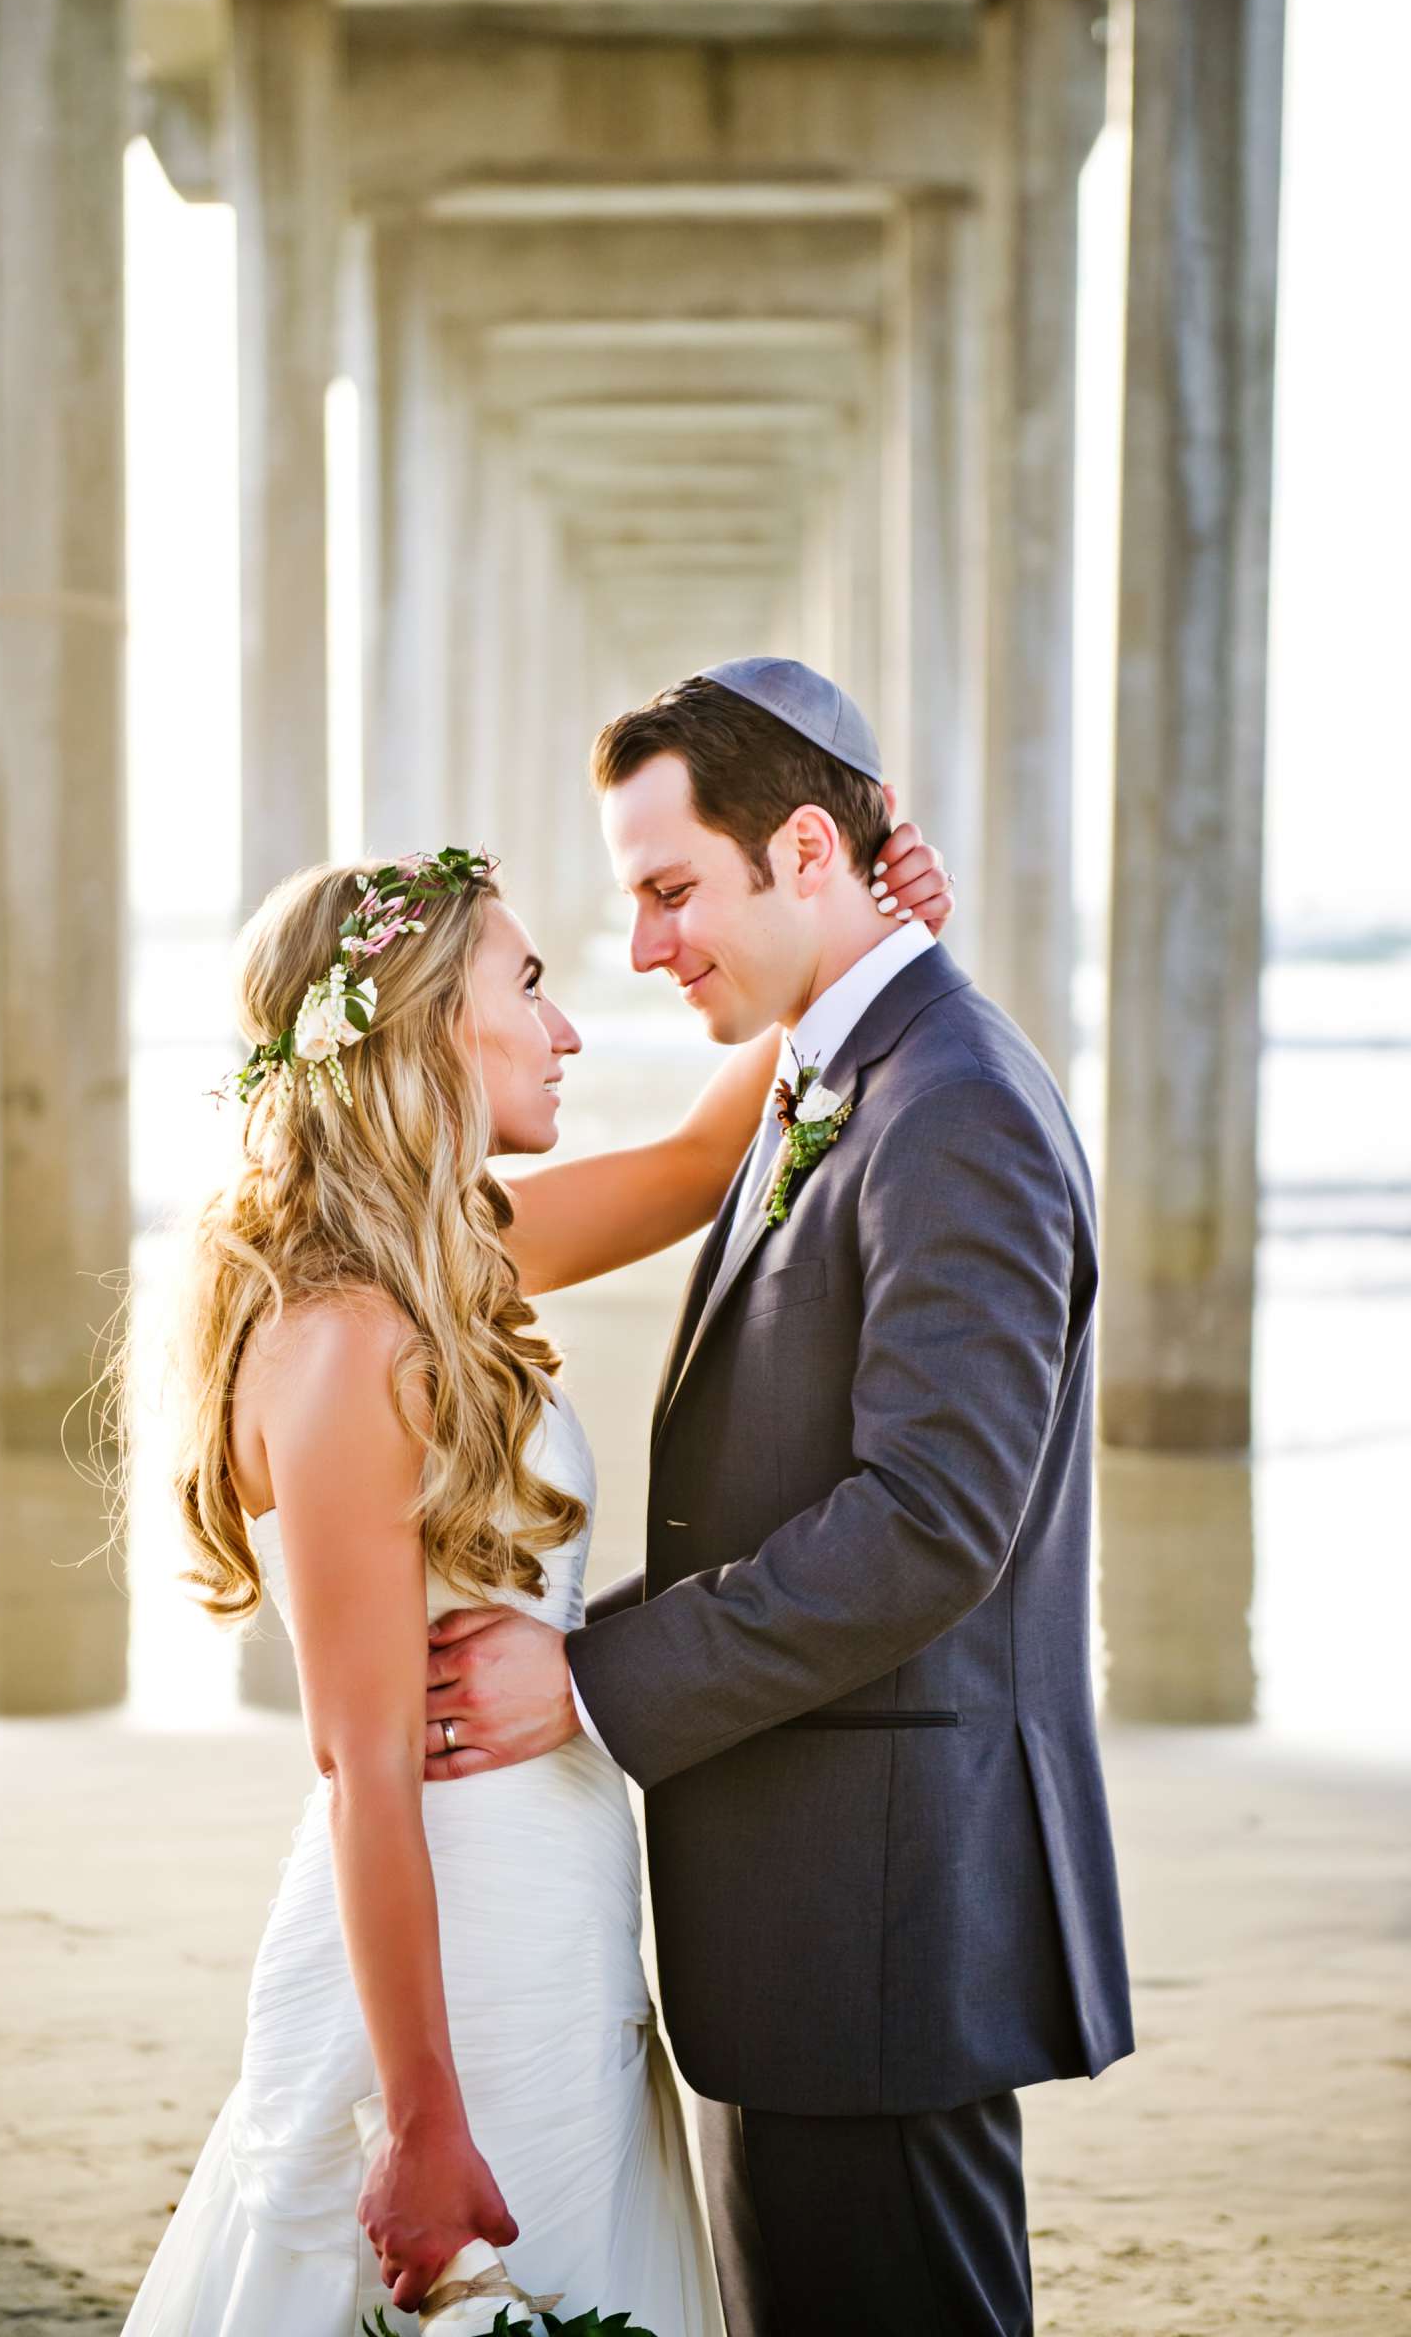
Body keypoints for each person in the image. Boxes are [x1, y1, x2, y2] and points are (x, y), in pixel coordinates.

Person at [118, 810, 956, 2335]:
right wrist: (427, 2122)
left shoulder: (447, 1258)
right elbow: (363, 1769)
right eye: (532, 985)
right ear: (434, 1027)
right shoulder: (346, 1339)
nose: (568, 1027)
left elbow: (712, 1157)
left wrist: (867, 944)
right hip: (461, 1958)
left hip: (559, 1913)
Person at [422, 660, 1135, 2337]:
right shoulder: (851, 1072)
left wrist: (592, 1679)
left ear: (807, 852)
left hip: (876, 1916)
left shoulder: (952, 1108)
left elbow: (933, 1524)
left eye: (674, 893)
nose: (649, 948)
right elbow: (690, 1169)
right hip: (817, 1912)